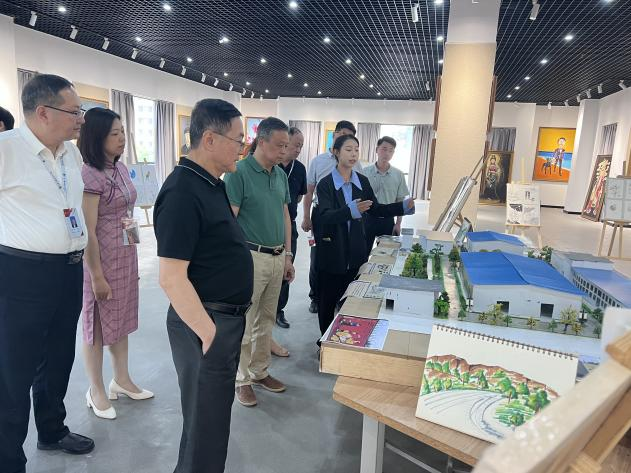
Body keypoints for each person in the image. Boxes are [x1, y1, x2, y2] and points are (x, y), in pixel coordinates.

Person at [0, 74, 94, 473]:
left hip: (68, 271)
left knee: (58, 358)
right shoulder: (7, 150)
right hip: (21, 274)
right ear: (43, 112)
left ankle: (52, 429)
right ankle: (8, 459)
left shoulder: (70, 154)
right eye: (74, 111)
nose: (81, 119)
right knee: (14, 371)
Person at [155, 98, 253, 473]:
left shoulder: (210, 183)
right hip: (204, 323)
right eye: (238, 139)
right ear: (210, 139)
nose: (242, 147)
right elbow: (171, 277)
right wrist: (208, 333)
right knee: (204, 427)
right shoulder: (182, 192)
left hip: (221, 320)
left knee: (211, 424)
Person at [78, 108, 153, 421]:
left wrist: (133, 253)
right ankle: (95, 389)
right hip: (100, 260)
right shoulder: (89, 174)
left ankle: (121, 379)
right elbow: (88, 230)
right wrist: (97, 275)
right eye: (114, 133)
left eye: (122, 131)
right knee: (96, 325)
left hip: (124, 255)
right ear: (97, 137)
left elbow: (127, 215)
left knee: (121, 318)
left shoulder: (119, 168)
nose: (122, 138)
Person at [224, 117, 295, 408]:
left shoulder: (279, 175)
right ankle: (241, 379)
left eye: (286, 146)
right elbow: (229, 221)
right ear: (262, 142)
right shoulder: (239, 173)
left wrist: (288, 255)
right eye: (279, 145)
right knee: (245, 321)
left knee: (266, 320)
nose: (284, 151)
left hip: (277, 256)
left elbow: (285, 215)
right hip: (250, 257)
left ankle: (260, 371)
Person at [315, 135, 415, 335]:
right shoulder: (325, 184)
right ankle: (324, 341)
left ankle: (345, 338)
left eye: (356, 150)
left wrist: (402, 207)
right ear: (336, 152)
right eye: (348, 150)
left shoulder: (361, 181)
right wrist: (350, 211)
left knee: (351, 299)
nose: (353, 154)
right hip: (333, 251)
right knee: (328, 301)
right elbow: (324, 216)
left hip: (356, 249)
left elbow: (376, 209)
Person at [302, 120, 361, 314]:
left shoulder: (356, 164)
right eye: (342, 134)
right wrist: (306, 217)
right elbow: (309, 191)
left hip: (346, 215)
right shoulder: (318, 161)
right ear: (334, 134)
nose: (345, 138)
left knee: (343, 256)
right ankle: (315, 297)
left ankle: (339, 298)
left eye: (349, 136)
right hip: (322, 215)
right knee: (318, 258)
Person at [275, 127, 307, 330]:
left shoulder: (300, 168)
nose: (298, 150)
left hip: (290, 225)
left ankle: (278, 310)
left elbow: (300, 196)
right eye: (295, 145)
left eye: (301, 146)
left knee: (287, 269)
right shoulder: (272, 164)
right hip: (269, 225)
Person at [363, 136, 410, 253]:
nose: (387, 153)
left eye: (391, 150)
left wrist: (398, 224)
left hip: (388, 220)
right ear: (377, 150)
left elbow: (400, 201)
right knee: (363, 253)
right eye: (384, 149)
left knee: (385, 254)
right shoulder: (365, 173)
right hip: (367, 219)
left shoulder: (398, 174)